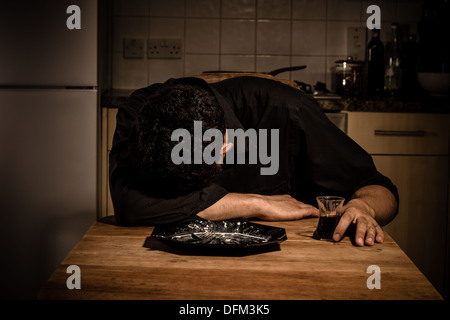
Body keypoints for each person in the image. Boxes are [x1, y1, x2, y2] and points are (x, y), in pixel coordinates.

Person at [109, 76, 398, 247]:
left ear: (223, 148)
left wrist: (364, 205)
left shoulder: (289, 111)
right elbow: (130, 205)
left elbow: (379, 188)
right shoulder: (139, 112)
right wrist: (256, 203)